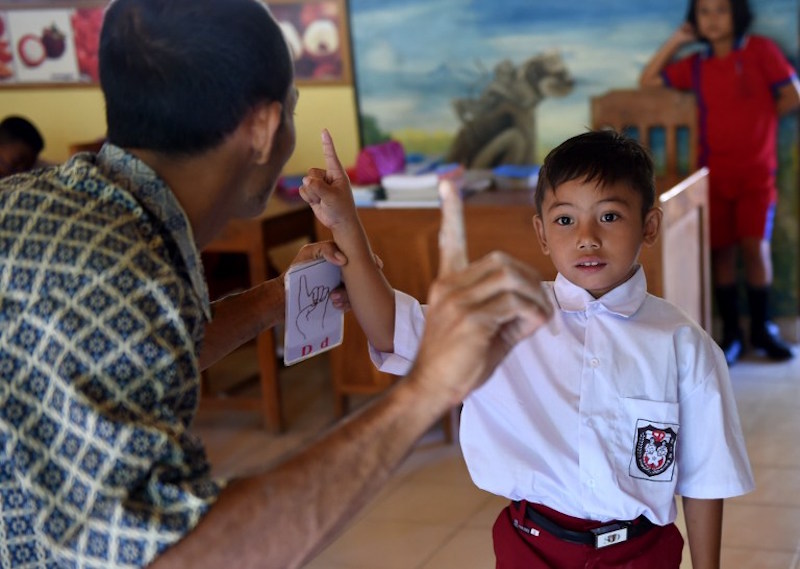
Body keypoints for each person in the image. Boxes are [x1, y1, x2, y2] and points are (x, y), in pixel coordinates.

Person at [0, 1, 553, 568]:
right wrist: (427, 389)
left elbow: (138, 346)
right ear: (264, 128)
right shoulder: (112, 265)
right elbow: (177, 556)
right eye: (292, 110)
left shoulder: (69, 209)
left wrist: (275, 299)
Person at [303, 129, 755, 568]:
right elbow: (392, 331)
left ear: (650, 225)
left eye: (610, 216)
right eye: (565, 220)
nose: (586, 237)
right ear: (541, 233)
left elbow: (704, 476)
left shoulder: (684, 345)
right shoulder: (503, 315)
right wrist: (346, 225)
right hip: (532, 549)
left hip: (641, 552)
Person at [639, 0, 800, 366]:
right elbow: (647, 81)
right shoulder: (696, 66)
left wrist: (760, 123)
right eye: (704, 12)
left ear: (737, 14)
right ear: (694, 19)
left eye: (721, 10)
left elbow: (792, 94)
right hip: (712, 175)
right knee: (721, 253)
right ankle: (731, 334)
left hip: (757, 173)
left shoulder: (761, 50)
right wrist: (677, 41)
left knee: (755, 249)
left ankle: (762, 330)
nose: (712, 18)